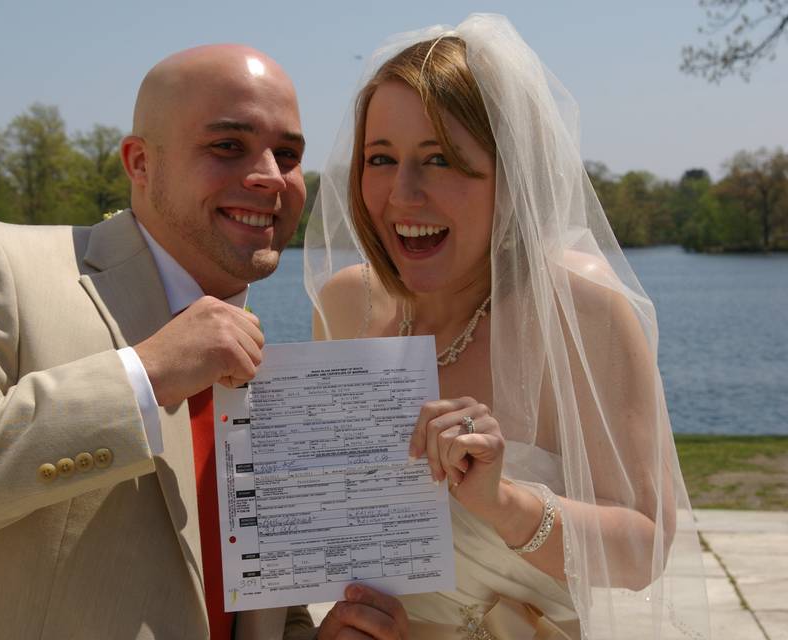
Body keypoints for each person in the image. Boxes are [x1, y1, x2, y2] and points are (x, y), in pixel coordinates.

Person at [0, 45, 405, 639]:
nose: (268, 175)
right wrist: (142, 376)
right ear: (140, 163)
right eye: (228, 146)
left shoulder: (272, 372)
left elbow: (237, 602)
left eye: (287, 154)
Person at [305, 15, 711, 639]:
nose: (400, 194)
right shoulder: (343, 308)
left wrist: (505, 504)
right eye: (379, 158)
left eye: (438, 158)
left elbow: (646, 549)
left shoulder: (582, 314)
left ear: (510, 175)